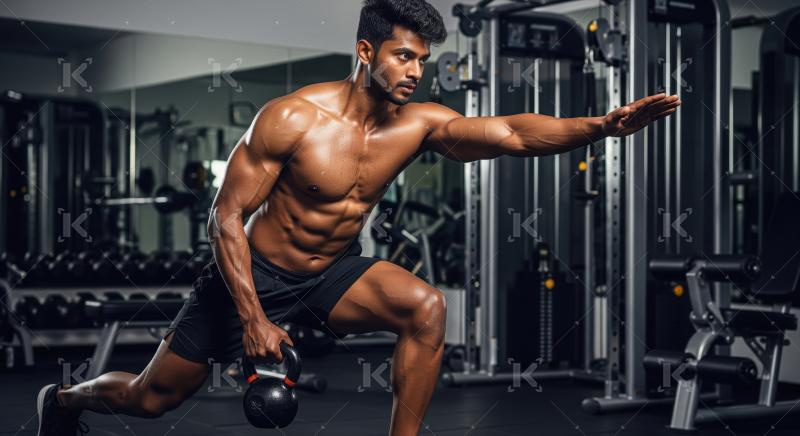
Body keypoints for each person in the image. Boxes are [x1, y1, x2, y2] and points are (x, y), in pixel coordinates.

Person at [35, 0, 681, 435]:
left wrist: (605, 126)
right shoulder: (293, 118)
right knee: (153, 398)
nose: (416, 71)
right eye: (405, 57)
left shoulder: (420, 124)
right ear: (366, 51)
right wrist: (255, 319)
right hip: (253, 276)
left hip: (330, 273)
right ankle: (65, 400)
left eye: (423, 60)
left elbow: (512, 131)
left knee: (425, 307)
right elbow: (224, 217)